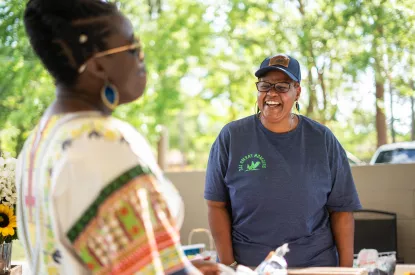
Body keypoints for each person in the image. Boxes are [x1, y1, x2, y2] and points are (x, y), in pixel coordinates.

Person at [16, 0, 219, 274]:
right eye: (133, 48)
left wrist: (182, 267)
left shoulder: (40, 142)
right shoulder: (102, 144)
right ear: (98, 66)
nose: (141, 58)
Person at [204, 54, 362, 268]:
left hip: (314, 266)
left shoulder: (322, 139)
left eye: (281, 86)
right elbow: (216, 205)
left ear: (297, 91)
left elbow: (342, 209)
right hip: (249, 267)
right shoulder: (232, 137)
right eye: (265, 85)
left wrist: (345, 271)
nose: (271, 93)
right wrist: (229, 265)